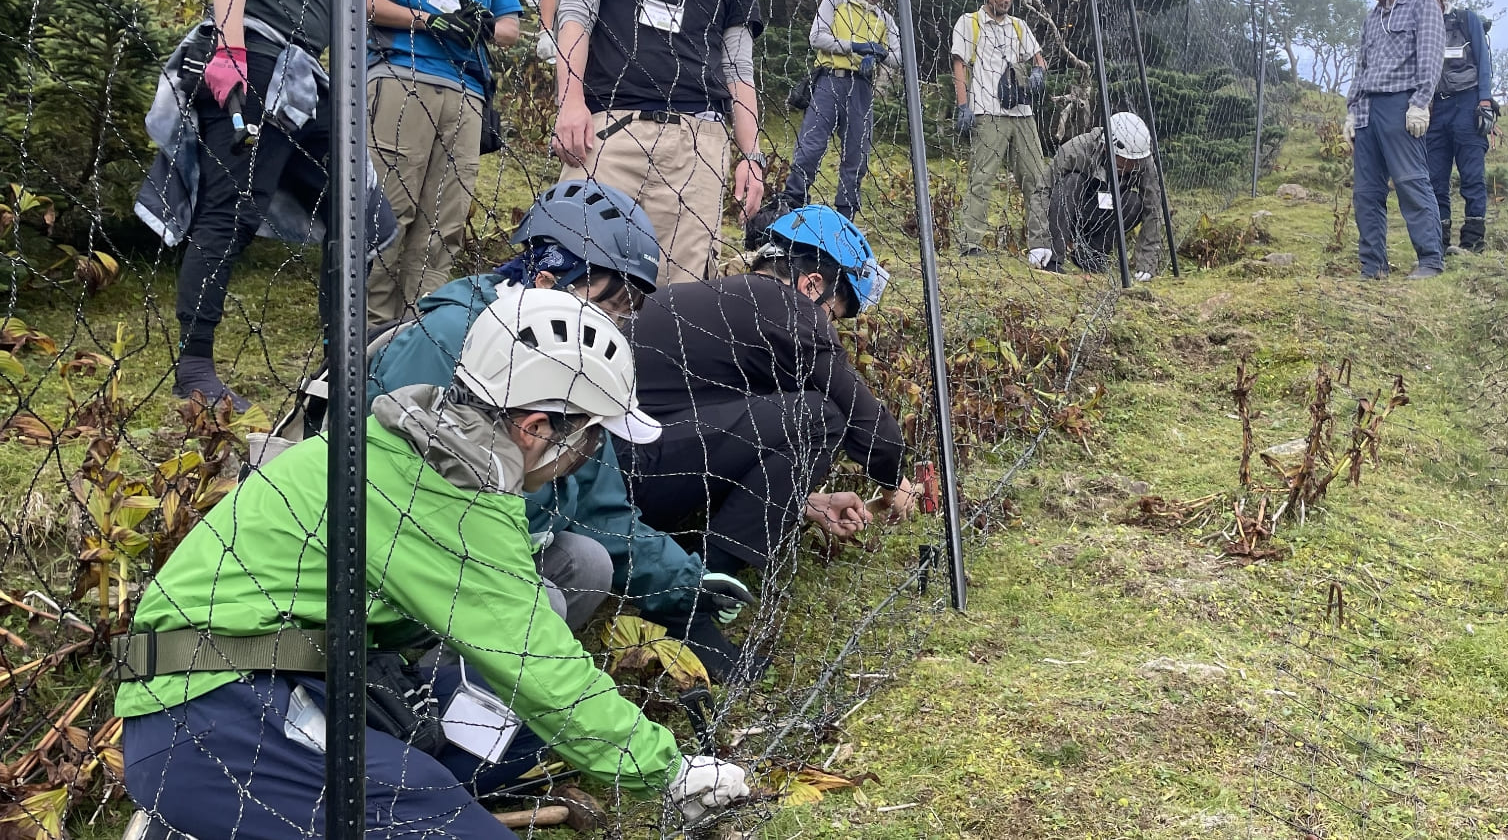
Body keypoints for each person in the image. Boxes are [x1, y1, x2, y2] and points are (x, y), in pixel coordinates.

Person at [116, 288, 749, 839]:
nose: (589, 454)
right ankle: (198, 821)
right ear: (536, 427)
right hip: (207, 716)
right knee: (451, 820)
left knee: (514, 726)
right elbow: (538, 663)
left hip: (300, 676)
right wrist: (667, 770)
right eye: (590, 437)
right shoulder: (449, 498)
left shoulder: (417, 447)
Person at [367, 179, 740, 636]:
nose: (614, 326)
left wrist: (687, 582)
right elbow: (392, 488)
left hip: (496, 543)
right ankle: (424, 682)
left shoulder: (567, 358)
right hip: (399, 547)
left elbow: (600, 508)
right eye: (608, 304)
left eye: (625, 313)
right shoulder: (450, 336)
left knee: (587, 564)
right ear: (546, 279)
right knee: (542, 604)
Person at [622, 206, 922, 680]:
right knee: (819, 416)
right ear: (811, 285)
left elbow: (735, 436)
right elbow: (861, 417)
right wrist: (893, 479)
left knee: (799, 413)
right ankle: (689, 605)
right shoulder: (786, 309)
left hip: (618, 470)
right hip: (636, 473)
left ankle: (686, 585)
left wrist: (805, 501)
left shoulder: (716, 300)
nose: (829, 326)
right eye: (833, 313)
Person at [168, 0, 392, 410]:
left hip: (303, 75)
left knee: (361, 210)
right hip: (257, 56)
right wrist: (230, 50)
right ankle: (195, 367)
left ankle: (337, 357)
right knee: (231, 209)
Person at [550, 0, 768, 286]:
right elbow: (574, 17)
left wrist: (752, 156)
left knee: (681, 298)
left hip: (697, 148)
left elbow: (739, 70)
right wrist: (570, 102)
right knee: (577, 276)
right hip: (610, 132)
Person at [364, 0, 524, 325]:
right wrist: (428, 20)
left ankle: (417, 334)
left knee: (444, 224)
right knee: (389, 212)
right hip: (400, 76)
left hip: (467, 93)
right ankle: (365, 338)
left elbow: (511, 24)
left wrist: (481, 26)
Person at [1341, 0, 1446, 281]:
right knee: (1366, 191)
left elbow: (1430, 57)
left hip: (1401, 106)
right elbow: (1362, 67)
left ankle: (1430, 260)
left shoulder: (1422, 6)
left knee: (1411, 181)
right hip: (1368, 109)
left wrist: (1420, 103)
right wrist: (1351, 110)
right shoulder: (1372, 19)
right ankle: (1373, 267)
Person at [778, 0, 902, 220]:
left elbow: (898, 56)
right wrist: (855, 48)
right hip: (829, 81)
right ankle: (792, 204)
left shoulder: (885, 19)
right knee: (811, 146)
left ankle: (846, 216)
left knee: (856, 154)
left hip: (861, 88)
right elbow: (817, 37)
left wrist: (879, 53)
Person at [951, 0, 1052, 266]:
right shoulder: (969, 23)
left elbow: (1039, 60)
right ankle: (970, 243)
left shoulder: (1019, 27)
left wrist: (1038, 74)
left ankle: (1040, 246)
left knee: (1037, 178)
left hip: (1022, 113)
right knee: (982, 178)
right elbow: (959, 65)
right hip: (987, 112)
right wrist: (963, 105)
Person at [1408, 0, 1496, 254]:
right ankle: (1439, 243)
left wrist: (1484, 103)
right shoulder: (1416, 30)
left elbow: (1484, 64)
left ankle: (1473, 241)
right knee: (1435, 178)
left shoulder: (1465, 20)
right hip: (1434, 110)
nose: (1423, 3)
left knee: (1472, 175)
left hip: (1468, 103)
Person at [1048, 111, 1167, 279]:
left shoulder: (1143, 161)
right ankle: (1053, 259)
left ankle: (1091, 255)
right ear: (1106, 147)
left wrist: (1147, 264)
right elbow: (1042, 190)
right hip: (1073, 210)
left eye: (1132, 164)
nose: (1128, 166)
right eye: (1123, 162)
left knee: (1134, 202)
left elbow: (1153, 209)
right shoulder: (1076, 149)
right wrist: (1039, 244)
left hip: (1106, 212)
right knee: (1071, 182)